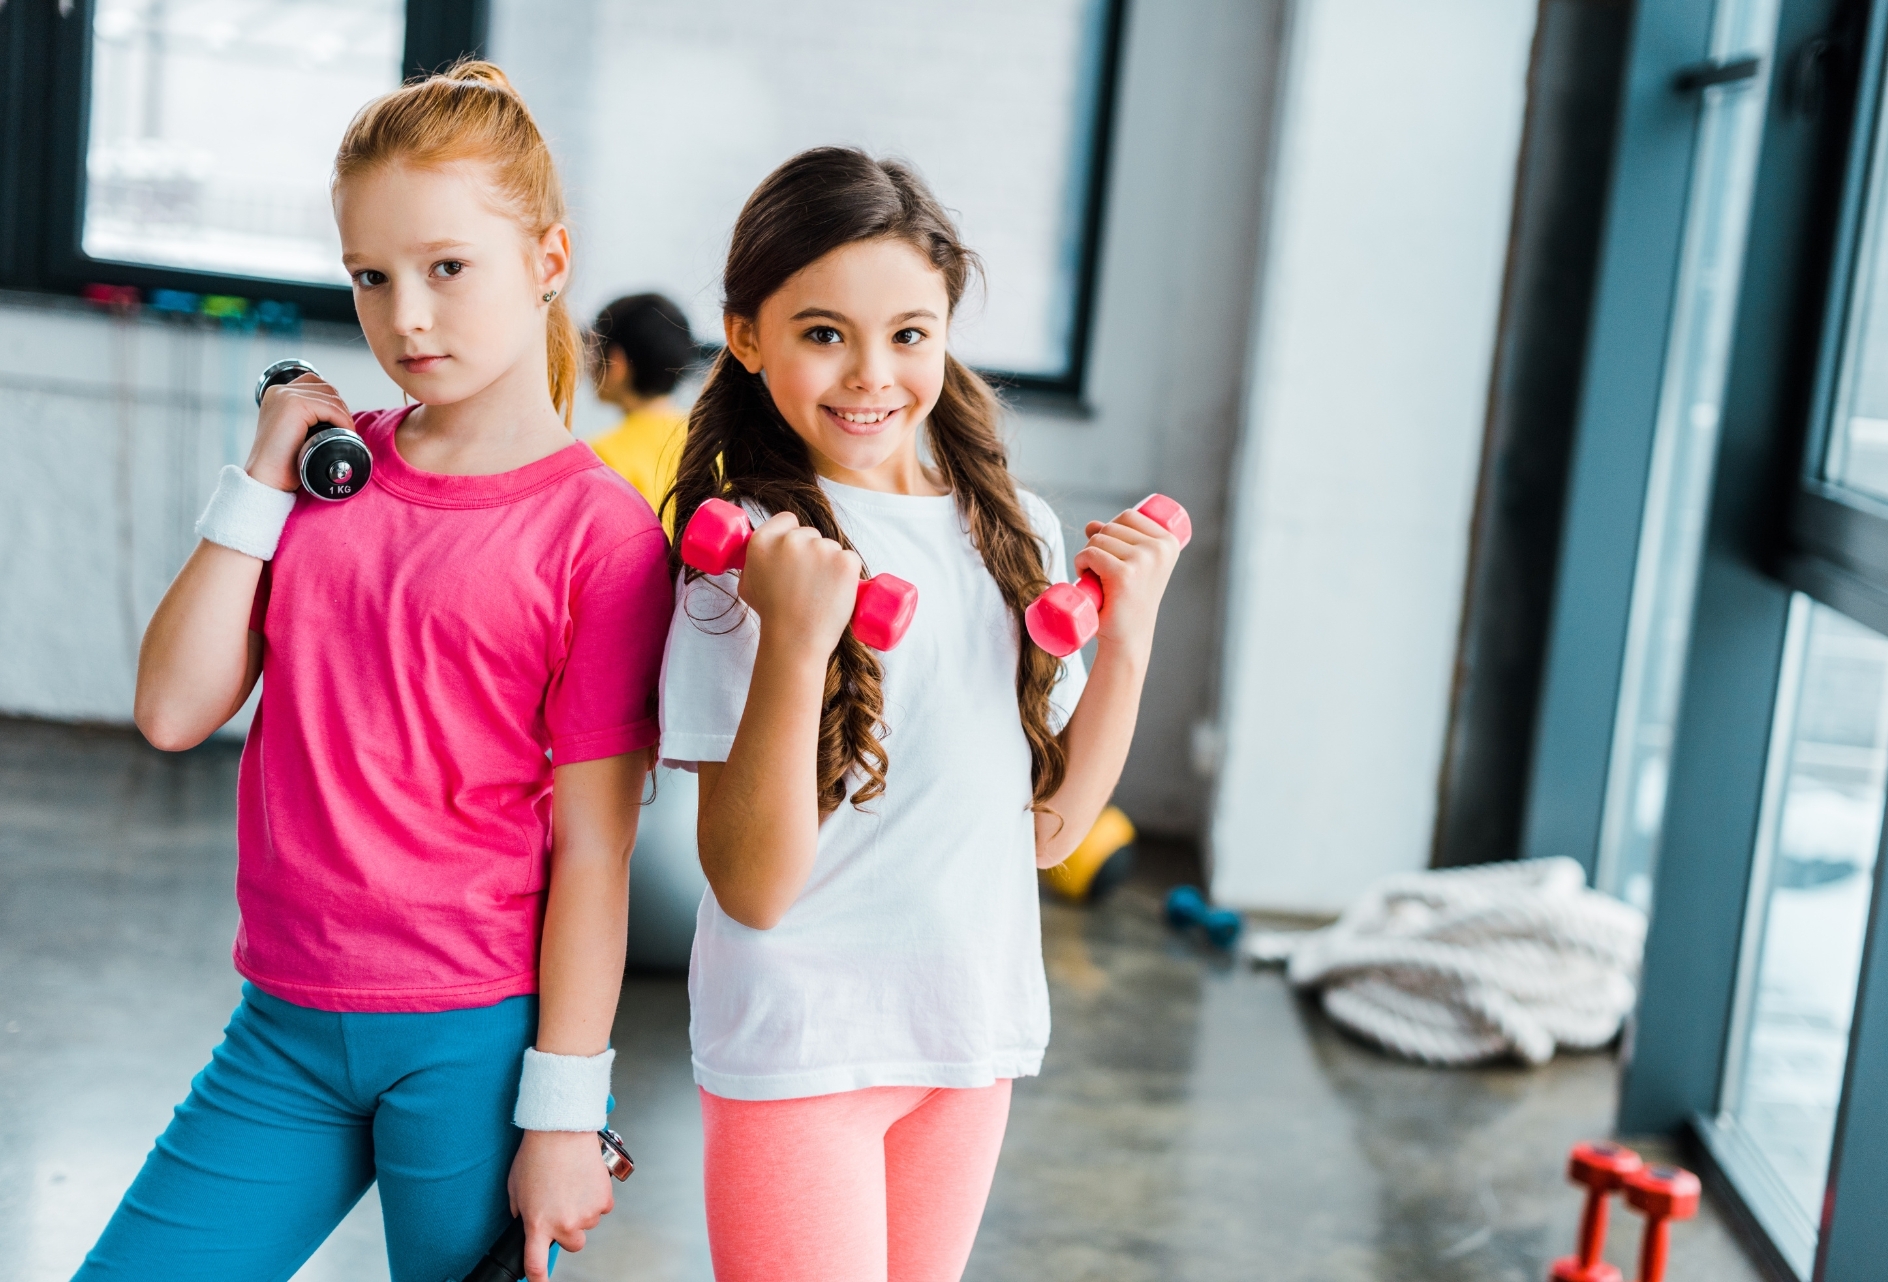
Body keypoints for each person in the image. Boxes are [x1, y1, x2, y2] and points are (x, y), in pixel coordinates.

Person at [84, 62, 672, 1282]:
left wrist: (565, 1109)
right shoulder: (324, 479)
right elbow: (172, 709)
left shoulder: (600, 536)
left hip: (473, 1041)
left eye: (447, 268)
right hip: (285, 1026)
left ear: (548, 260)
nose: (407, 316)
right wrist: (258, 476)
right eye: (372, 275)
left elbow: (597, 847)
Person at [658, 146, 1184, 1282]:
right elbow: (751, 887)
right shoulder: (742, 558)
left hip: (965, 1033)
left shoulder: (1016, 535)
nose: (870, 375)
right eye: (821, 332)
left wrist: (1130, 634)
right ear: (746, 336)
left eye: (908, 332)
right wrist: (797, 640)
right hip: (803, 1048)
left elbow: (1046, 833)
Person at [589, 292, 696, 519]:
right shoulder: (709, 440)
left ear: (616, 362)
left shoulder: (601, 457)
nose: (589, 364)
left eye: (596, 350)